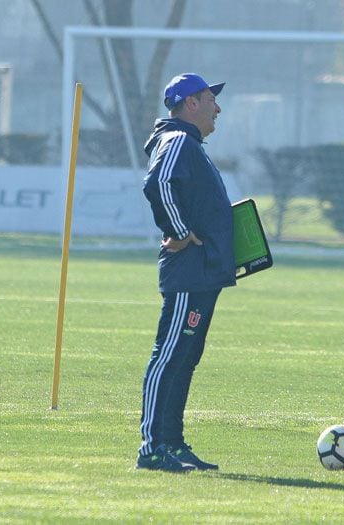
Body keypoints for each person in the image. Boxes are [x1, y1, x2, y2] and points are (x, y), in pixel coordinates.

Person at [136, 73, 236, 472]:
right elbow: (158, 183)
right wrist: (177, 231)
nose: (218, 107)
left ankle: (173, 444)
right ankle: (152, 447)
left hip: (203, 272)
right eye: (212, 98)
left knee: (184, 357)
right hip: (189, 271)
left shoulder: (189, 143)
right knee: (169, 356)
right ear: (190, 103)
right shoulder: (177, 140)